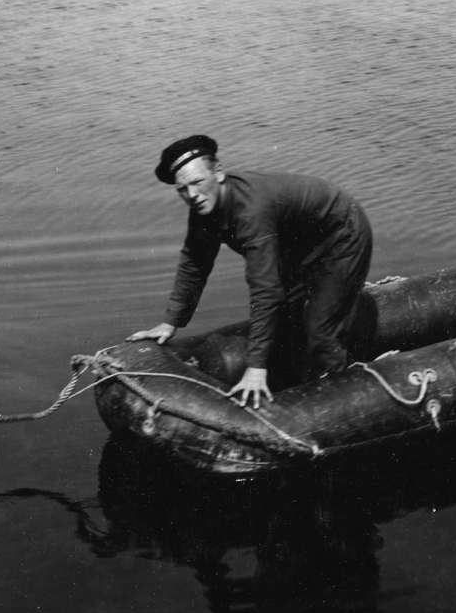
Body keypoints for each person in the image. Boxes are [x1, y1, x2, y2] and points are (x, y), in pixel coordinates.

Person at [130, 135, 373, 410]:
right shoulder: (203, 210)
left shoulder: (251, 211)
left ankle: (335, 400)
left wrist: (256, 367)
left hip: (341, 236)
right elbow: (194, 265)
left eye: (197, 182)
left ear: (218, 173)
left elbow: (265, 291)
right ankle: (292, 390)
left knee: (321, 328)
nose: (192, 195)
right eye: (182, 190)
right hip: (299, 246)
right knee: (287, 322)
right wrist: (171, 322)